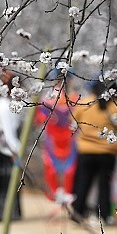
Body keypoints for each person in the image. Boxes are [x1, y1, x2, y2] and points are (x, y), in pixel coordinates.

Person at [70, 78, 117, 224]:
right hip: (107, 152)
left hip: (86, 150)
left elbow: (73, 121)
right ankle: (103, 215)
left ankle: (77, 213)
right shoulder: (113, 106)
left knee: (83, 182)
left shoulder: (84, 103)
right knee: (105, 184)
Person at [34, 69, 78, 202]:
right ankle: (54, 194)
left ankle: (68, 194)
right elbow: (39, 118)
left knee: (71, 170)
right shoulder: (47, 100)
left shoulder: (75, 98)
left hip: (70, 139)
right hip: (52, 140)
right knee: (51, 168)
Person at [0, 70, 24, 221]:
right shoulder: (7, 106)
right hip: (7, 150)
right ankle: (7, 212)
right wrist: (17, 153)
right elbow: (9, 134)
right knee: (7, 184)